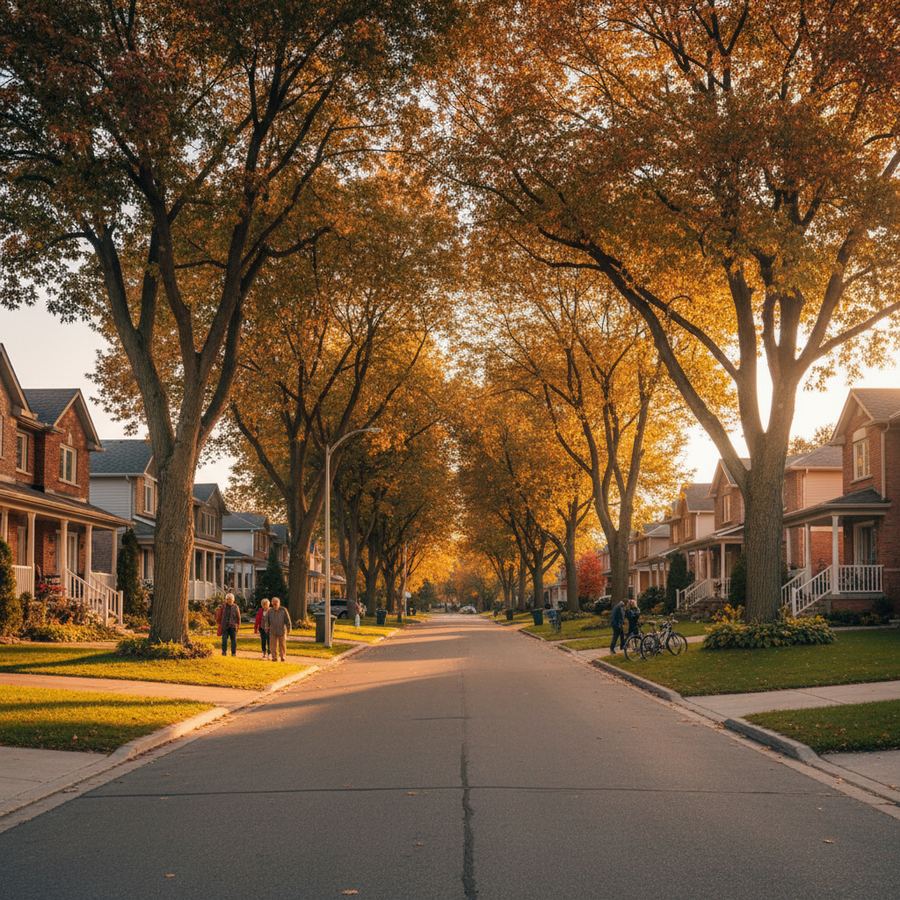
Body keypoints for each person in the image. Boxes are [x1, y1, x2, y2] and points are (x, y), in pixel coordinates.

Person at [267, 597, 292, 662]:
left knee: (282, 645)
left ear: (279, 603)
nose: (275, 605)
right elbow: (267, 621)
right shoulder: (270, 611)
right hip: (273, 630)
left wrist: (289, 629)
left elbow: (288, 621)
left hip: (282, 630)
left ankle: (282, 656)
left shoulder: (283, 610)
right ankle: (274, 657)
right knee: (273, 645)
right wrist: (267, 627)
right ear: (272, 603)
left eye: (276, 603)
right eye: (273, 603)